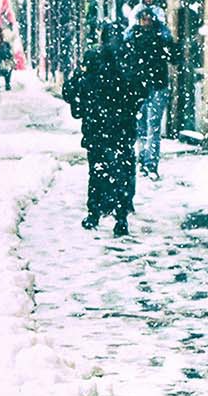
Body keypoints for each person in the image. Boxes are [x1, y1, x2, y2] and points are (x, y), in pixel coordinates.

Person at [63, 23, 149, 236]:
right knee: (123, 170)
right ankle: (121, 216)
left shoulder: (93, 60)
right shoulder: (129, 61)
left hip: (97, 128)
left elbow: (71, 91)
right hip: (122, 128)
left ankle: (95, 212)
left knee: (98, 170)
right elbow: (141, 91)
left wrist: (84, 100)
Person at [128, 0, 175, 179]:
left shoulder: (158, 36)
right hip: (142, 87)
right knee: (142, 127)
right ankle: (143, 161)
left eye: (149, 19)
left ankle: (150, 163)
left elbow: (173, 55)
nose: (146, 22)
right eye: (143, 19)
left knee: (152, 126)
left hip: (155, 86)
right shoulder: (134, 36)